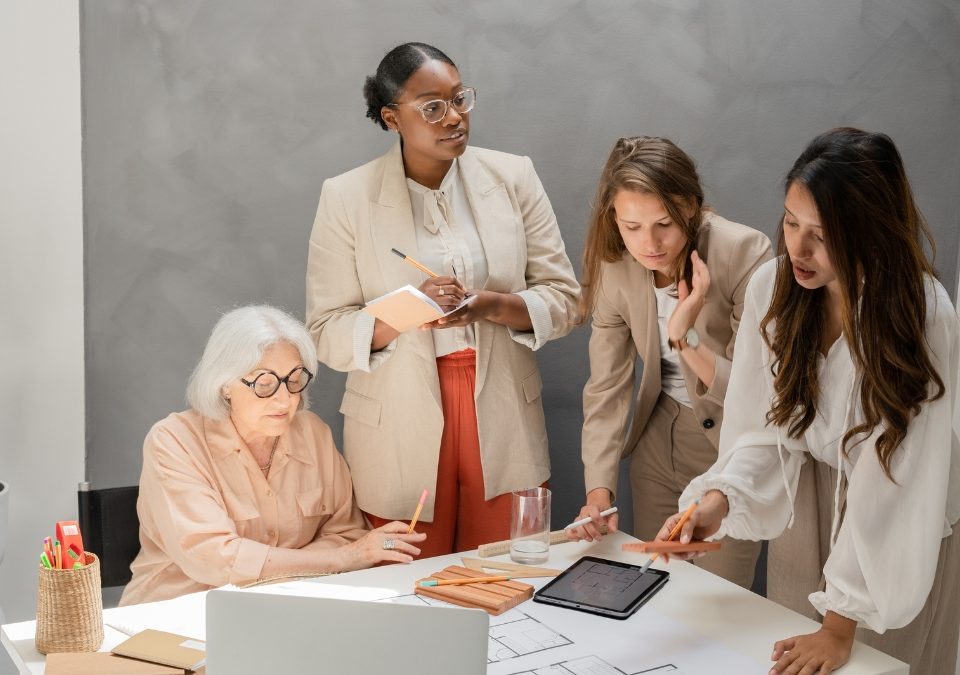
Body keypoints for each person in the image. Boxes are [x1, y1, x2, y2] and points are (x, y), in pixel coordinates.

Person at [657, 128, 960, 674]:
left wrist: (840, 625)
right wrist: (720, 501)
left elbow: (897, 477)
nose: (797, 248)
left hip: (902, 526)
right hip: (809, 502)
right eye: (791, 222)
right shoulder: (774, 288)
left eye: (821, 234)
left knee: (879, 664)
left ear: (869, 232)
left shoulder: (923, 313)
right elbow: (765, 427)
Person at [305, 42, 579, 557]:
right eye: (432, 107)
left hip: (503, 413)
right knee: (410, 590)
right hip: (396, 421)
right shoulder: (345, 197)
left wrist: (490, 305)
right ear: (392, 118)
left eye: (459, 99)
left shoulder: (513, 176)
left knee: (505, 577)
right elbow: (326, 332)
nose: (454, 118)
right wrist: (412, 308)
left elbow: (566, 300)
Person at [569, 136, 771, 590]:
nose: (650, 243)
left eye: (664, 223)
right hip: (657, 445)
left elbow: (752, 393)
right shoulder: (616, 266)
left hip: (730, 448)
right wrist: (598, 495)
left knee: (718, 597)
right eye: (631, 226)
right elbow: (607, 389)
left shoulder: (746, 253)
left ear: (693, 207)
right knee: (654, 588)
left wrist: (685, 336)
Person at [120, 306, 424, 605]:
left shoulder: (314, 433)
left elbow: (346, 531)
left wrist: (341, 554)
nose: (285, 399)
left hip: (284, 610)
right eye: (264, 384)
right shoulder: (174, 441)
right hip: (177, 614)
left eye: (293, 380)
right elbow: (215, 560)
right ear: (224, 384)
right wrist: (345, 558)